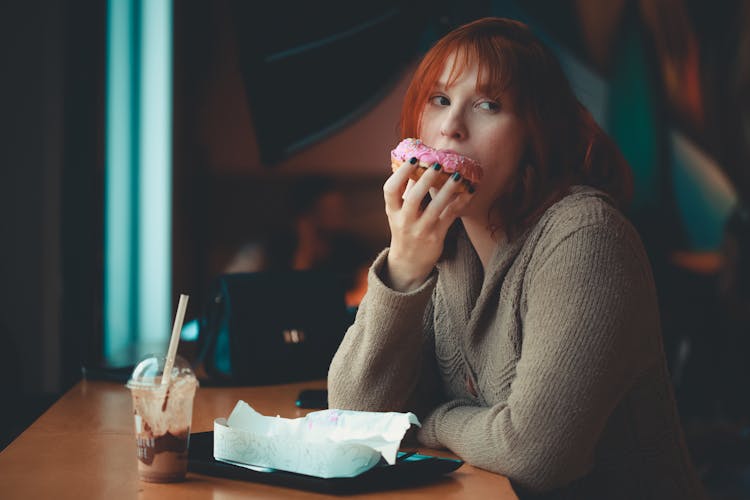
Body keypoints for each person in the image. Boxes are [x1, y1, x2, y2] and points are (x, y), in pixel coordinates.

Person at [327, 17, 705, 498]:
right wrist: (403, 264)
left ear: (534, 131)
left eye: (488, 105)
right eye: (439, 99)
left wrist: (429, 421)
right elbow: (355, 419)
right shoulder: (441, 242)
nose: (451, 127)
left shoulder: (585, 237)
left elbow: (536, 455)